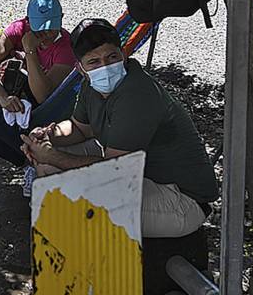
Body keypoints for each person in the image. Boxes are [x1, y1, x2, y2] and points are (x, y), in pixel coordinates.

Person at [20, 18, 218, 238]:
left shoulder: (136, 94)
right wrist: (47, 136)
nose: (104, 67)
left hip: (181, 199)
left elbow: (114, 169)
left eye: (111, 57)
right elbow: (79, 129)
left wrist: (52, 155)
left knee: (68, 200)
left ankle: (93, 266)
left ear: (123, 54)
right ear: (81, 68)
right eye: (94, 61)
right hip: (143, 175)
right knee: (48, 170)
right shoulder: (90, 85)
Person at [0, 0, 76, 197]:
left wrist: (30, 51)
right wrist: (2, 97)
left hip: (52, 106)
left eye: (51, 27)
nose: (46, 33)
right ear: (28, 21)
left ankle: (37, 161)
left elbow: (44, 96)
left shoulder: (65, 48)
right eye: (39, 27)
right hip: (17, 98)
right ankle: (28, 163)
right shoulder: (18, 29)